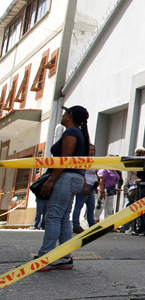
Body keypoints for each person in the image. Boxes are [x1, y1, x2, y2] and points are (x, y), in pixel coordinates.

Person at [35, 105, 90, 271]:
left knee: (53, 216)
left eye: (65, 113)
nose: (63, 115)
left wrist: (51, 180)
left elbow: (65, 158)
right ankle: (64, 256)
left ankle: (46, 256)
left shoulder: (71, 133)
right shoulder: (80, 134)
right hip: (76, 177)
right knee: (63, 216)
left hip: (65, 176)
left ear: (70, 115)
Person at [72, 144, 98, 233]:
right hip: (84, 185)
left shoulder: (94, 161)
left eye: (93, 150)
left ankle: (91, 224)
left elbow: (95, 174)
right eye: (90, 149)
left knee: (91, 206)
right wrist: (85, 186)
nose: (92, 152)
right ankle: (76, 225)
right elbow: (82, 174)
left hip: (92, 185)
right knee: (79, 205)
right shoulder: (83, 160)